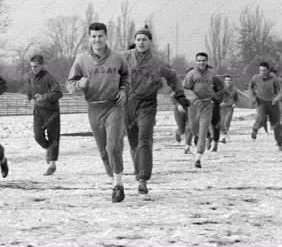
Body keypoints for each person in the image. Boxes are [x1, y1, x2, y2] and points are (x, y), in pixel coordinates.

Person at [67, 22, 129, 203]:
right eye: (93, 36)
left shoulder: (118, 58)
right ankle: (113, 178)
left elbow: (126, 76)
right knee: (103, 151)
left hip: (114, 105)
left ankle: (118, 185)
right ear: (89, 38)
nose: (97, 39)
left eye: (100, 36)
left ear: (106, 36)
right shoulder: (81, 59)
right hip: (94, 107)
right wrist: (79, 84)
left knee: (113, 146)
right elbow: (69, 84)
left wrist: (124, 89)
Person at [122, 26, 189, 194]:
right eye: (138, 40)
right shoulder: (124, 57)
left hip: (147, 104)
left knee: (144, 138)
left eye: (144, 39)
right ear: (134, 42)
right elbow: (109, 69)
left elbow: (173, 76)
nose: (141, 42)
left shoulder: (158, 62)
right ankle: (139, 171)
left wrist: (179, 94)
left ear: (150, 42)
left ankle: (143, 178)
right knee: (133, 142)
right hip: (127, 103)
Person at [183, 52, 224, 168]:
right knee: (193, 128)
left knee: (203, 130)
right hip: (194, 106)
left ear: (207, 61)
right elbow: (185, 89)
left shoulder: (212, 74)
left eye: (203, 60)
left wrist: (217, 97)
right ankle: (193, 139)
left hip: (207, 105)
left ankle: (198, 157)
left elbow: (220, 87)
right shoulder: (191, 74)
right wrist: (194, 98)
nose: (201, 63)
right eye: (199, 60)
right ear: (196, 61)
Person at [25, 55, 63, 176]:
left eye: (36, 67)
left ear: (42, 65)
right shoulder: (30, 76)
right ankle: (49, 150)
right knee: (38, 136)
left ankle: (52, 165)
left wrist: (44, 97)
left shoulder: (49, 77)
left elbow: (58, 93)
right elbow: (30, 89)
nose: (34, 69)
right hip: (38, 111)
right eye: (32, 67)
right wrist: (28, 97)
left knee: (53, 138)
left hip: (51, 111)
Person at [249, 61, 282, 151]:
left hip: (273, 103)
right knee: (261, 119)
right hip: (261, 102)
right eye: (260, 70)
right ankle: (255, 129)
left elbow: (281, 91)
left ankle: (280, 144)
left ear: (268, 70)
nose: (262, 73)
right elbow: (250, 87)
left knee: (276, 125)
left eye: (264, 71)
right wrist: (253, 97)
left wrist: (276, 99)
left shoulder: (274, 79)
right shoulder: (255, 78)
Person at [219, 75, 239, 144]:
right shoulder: (221, 89)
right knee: (221, 122)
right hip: (222, 107)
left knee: (227, 121)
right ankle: (222, 135)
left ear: (231, 81)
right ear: (224, 81)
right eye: (227, 80)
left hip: (230, 107)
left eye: (229, 80)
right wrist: (220, 102)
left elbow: (236, 99)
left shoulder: (234, 90)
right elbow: (217, 97)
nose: (228, 81)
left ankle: (223, 137)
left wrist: (234, 103)